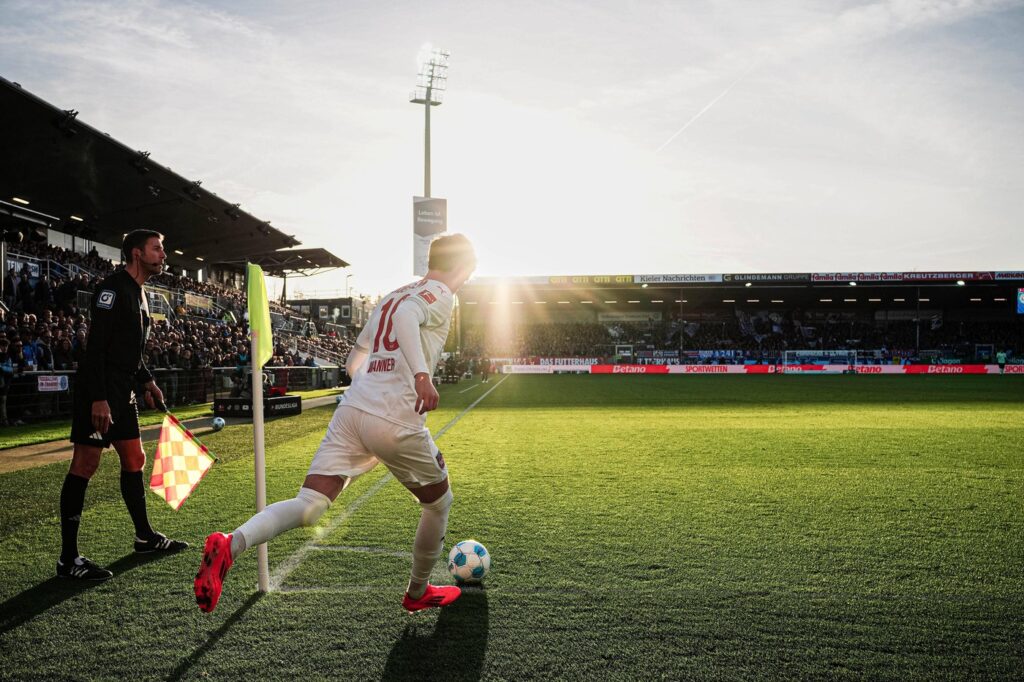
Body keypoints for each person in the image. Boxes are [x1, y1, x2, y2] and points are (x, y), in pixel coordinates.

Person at [195, 234, 477, 613]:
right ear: (461, 266)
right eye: (470, 270)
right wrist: (421, 375)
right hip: (394, 418)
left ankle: (231, 544)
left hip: (353, 411)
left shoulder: (391, 296)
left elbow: (354, 358)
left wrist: (370, 380)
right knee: (439, 503)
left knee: (310, 504)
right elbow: (410, 318)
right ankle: (417, 592)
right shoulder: (441, 293)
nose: (468, 279)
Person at [60, 230, 188, 581]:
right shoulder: (111, 290)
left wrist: (147, 380)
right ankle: (68, 560)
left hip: (123, 389)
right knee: (86, 464)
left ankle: (144, 536)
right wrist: (99, 399)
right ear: (137, 253)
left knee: (135, 459)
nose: (163, 254)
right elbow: (96, 350)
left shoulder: (142, 294)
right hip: (98, 391)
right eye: (157, 248)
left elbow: (129, 351)